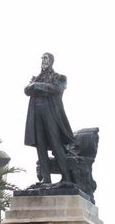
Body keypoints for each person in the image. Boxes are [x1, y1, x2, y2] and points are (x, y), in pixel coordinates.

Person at [24, 52, 76, 184]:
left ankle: (66, 177)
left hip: (51, 112)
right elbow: (26, 90)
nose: (43, 60)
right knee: (40, 145)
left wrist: (37, 86)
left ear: (51, 61)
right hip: (36, 113)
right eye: (42, 58)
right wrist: (35, 86)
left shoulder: (59, 77)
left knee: (55, 143)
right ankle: (46, 178)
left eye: (46, 58)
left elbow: (57, 89)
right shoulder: (37, 78)